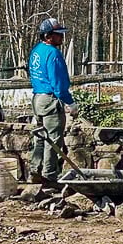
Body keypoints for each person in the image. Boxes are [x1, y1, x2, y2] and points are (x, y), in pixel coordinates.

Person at [29, 18, 77, 184]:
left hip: (37, 99)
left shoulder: (36, 51)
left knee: (40, 137)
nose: (61, 38)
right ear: (48, 36)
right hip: (50, 99)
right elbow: (58, 84)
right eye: (58, 35)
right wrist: (70, 103)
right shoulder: (53, 54)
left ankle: (35, 170)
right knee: (53, 139)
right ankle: (49, 175)